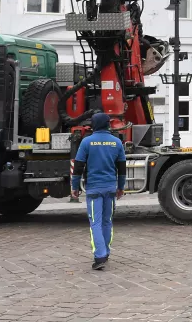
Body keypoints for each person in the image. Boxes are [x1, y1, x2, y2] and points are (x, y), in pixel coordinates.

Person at [71, 113, 126, 270]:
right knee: (107, 221)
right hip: (110, 188)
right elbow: (122, 168)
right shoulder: (117, 142)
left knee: (95, 222)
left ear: (93, 125)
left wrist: (74, 187)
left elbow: (78, 166)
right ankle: (106, 252)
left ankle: (100, 255)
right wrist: (120, 187)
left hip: (94, 188)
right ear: (108, 124)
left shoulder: (86, 142)